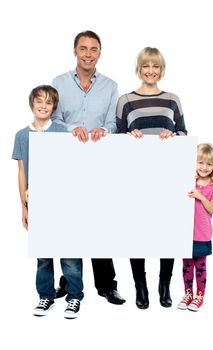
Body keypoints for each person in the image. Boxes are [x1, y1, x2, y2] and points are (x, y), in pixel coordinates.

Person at [51, 30, 125, 305]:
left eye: (93, 49)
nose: (88, 54)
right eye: (83, 48)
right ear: (74, 51)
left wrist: (103, 130)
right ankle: (68, 282)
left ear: (99, 53)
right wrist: (73, 129)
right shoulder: (58, 82)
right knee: (69, 223)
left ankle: (107, 285)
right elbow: (53, 119)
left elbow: (114, 123)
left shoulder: (110, 85)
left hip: (99, 163)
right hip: (66, 163)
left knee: (100, 223)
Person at [116, 47, 187, 309]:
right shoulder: (125, 100)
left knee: (167, 231)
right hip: (135, 177)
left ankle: (164, 285)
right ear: (139, 68)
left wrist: (173, 136)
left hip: (167, 177)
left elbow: (183, 132)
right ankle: (140, 286)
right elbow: (116, 140)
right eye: (146, 65)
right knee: (137, 232)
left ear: (162, 70)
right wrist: (128, 137)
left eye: (155, 66)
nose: (150, 71)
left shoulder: (172, 99)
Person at [12, 85, 84, 319]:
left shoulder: (63, 132)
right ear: (32, 103)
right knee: (43, 255)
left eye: (48, 102)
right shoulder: (22, 135)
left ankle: (74, 297)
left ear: (54, 107)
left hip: (63, 203)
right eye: (39, 101)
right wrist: (23, 206)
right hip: (37, 203)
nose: (43, 106)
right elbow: (22, 171)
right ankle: (46, 295)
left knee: (69, 254)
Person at [177, 143, 213, 311]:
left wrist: (201, 196)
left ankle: (200, 295)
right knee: (187, 264)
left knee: (201, 265)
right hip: (185, 232)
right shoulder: (188, 180)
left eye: (209, 164)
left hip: (202, 234)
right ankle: (187, 293)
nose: (204, 167)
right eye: (200, 162)